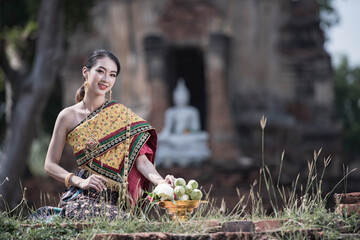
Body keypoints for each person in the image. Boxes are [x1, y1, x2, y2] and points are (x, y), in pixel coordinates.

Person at [33, 49, 175, 220]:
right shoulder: (67, 116)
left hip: (116, 203)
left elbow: (142, 161)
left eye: (112, 74)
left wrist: (161, 182)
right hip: (83, 198)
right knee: (123, 221)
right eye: (100, 71)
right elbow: (49, 165)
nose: (106, 79)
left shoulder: (122, 115)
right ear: (86, 72)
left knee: (130, 222)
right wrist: (80, 182)